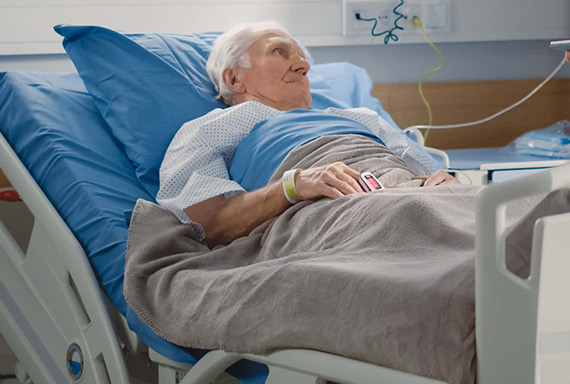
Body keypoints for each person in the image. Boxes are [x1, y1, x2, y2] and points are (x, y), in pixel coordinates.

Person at [158, 21, 453, 244]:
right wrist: (292, 186)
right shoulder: (213, 128)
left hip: (421, 201)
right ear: (234, 77)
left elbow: (430, 176)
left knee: (488, 222)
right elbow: (210, 225)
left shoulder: (361, 118)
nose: (303, 65)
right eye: (279, 52)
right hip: (342, 215)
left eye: (301, 57)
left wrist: (448, 183)